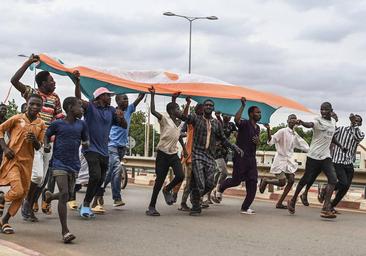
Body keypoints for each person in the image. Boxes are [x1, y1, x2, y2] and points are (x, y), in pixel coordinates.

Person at [11, 54, 65, 220]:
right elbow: (14, 80)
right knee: (37, 176)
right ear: (42, 84)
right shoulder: (32, 94)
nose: (54, 83)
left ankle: (29, 204)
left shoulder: (55, 98)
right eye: (51, 80)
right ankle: (27, 202)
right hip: (31, 141)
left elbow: (59, 119)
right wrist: (28, 62)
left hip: (48, 143)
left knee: (42, 179)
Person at [74, 78, 127, 218]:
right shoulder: (90, 107)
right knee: (95, 175)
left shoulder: (111, 110)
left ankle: (85, 203)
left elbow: (124, 126)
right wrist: (78, 82)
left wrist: (121, 118)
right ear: (99, 97)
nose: (110, 98)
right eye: (107, 95)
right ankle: (86, 205)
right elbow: (78, 100)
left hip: (104, 150)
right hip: (90, 148)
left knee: (100, 180)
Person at [287, 102, 347, 219]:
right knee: (306, 179)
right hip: (313, 156)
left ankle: (325, 209)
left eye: (326, 110)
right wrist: (301, 122)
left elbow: (331, 136)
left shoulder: (333, 122)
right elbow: (309, 124)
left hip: (326, 156)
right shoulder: (317, 120)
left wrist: (340, 145)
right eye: (321, 110)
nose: (323, 112)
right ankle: (293, 200)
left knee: (333, 180)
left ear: (331, 110)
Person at [184, 98, 243, 216]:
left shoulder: (216, 123)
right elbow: (183, 117)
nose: (209, 107)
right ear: (203, 107)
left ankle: (196, 197)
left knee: (210, 183)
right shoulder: (196, 118)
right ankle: (196, 205)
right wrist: (185, 103)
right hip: (197, 154)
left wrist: (234, 147)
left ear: (213, 108)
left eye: (211, 105)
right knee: (200, 182)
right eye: (207, 105)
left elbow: (223, 138)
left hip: (210, 156)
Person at [43, 97, 89, 243]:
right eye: (79, 106)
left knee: (68, 195)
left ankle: (49, 197)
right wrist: (46, 145)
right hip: (59, 163)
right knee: (64, 194)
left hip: (74, 164)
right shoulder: (57, 123)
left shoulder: (82, 125)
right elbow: (46, 135)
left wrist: (87, 144)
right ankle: (65, 231)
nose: (82, 109)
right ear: (69, 107)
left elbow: (85, 140)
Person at [0, 94, 46, 234]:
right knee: (18, 190)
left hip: (28, 162)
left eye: (38, 105)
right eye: (32, 104)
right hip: (13, 160)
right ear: (27, 103)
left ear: (41, 107)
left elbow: (39, 146)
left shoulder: (41, 124)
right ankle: (2, 198)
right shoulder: (17, 118)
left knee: (22, 194)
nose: (34, 107)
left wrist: (34, 140)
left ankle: (5, 221)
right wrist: (5, 148)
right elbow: (0, 129)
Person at [92, 92, 145, 211]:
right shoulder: (113, 112)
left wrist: (145, 89)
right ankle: (117, 198)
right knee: (116, 168)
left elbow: (140, 97)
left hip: (122, 147)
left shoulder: (130, 109)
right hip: (111, 145)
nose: (126, 101)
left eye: (127, 99)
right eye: (124, 99)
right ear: (117, 101)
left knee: (110, 173)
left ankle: (99, 191)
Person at [213, 97, 261, 215]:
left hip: (251, 158)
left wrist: (258, 142)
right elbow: (237, 120)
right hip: (240, 157)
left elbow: (256, 143)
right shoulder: (244, 123)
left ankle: (245, 207)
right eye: (257, 112)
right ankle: (221, 187)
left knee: (253, 181)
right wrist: (243, 106)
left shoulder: (258, 128)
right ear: (251, 114)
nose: (259, 114)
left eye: (260, 113)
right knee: (236, 181)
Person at [146, 88, 188, 216]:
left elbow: (178, 136)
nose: (179, 111)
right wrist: (152, 95)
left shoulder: (179, 122)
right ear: (171, 111)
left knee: (180, 176)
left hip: (173, 154)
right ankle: (151, 206)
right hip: (163, 154)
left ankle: (167, 189)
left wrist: (185, 149)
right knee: (159, 181)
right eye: (177, 109)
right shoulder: (164, 119)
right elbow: (153, 111)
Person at [258, 115, 309, 209]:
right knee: (282, 182)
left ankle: (279, 203)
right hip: (280, 160)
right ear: (288, 121)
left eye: (295, 118)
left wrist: (312, 151)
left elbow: (303, 145)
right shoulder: (282, 131)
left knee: (291, 180)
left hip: (289, 161)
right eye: (291, 118)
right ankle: (266, 181)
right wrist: (269, 129)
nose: (293, 120)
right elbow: (271, 141)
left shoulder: (294, 134)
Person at [329, 114, 364, 213]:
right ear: (350, 120)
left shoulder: (360, 134)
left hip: (349, 162)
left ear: (360, 124)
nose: (355, 122)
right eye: (354, 120)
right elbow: (330, 135)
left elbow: (357, 138)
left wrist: (354, 125)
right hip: (338, 160)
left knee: (346, 187)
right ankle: (326, 190)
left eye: (358, 121)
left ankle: (331, 205)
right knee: (343, 183)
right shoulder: (341, 129)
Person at [173, 103, 204, 211]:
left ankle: (192, 200)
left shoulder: (205, 124)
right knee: (188, 180)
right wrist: (188, 104)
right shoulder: (192, 123)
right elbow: (183, 116)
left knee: (196, 180)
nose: (202, 112)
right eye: (199, 110)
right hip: (189, 155)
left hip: (199, 156)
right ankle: (181, 200)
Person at [207, 112, 237, 205]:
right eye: (225, 115)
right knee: (224, 172)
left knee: (218, 173)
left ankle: (209, 196)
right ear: (222, 115)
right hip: (216, 151)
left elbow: (237, 134)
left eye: (229, 115)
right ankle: (217, 190)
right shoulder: (217, 122)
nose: (227, 116)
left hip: (225, 151)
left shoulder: (231, 125)